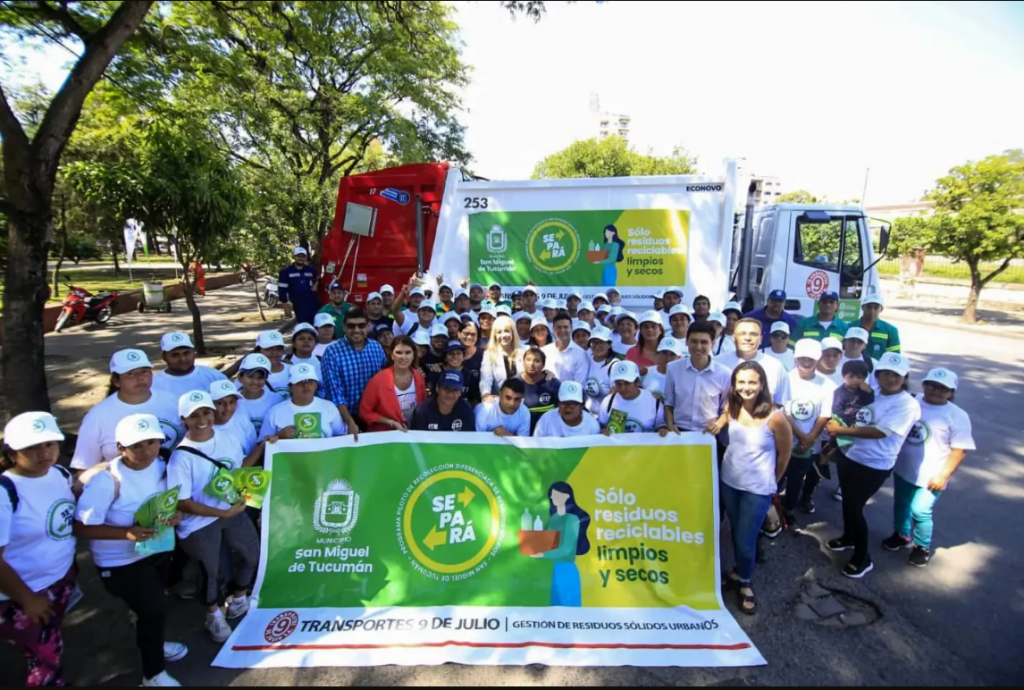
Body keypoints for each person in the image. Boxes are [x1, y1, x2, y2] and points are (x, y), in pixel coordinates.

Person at [73, 414, 187, 688]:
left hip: (155, 551)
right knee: (153, 610)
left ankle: (155, 644)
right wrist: (125, 533)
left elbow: (172, 503)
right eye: (137, 446)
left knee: (154, 606)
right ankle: (153, 675)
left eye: (152, 442)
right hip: (120, 562)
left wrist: (177, 515)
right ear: (121, 448)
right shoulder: (107, 481)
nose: (146, 450)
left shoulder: (162, 465)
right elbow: (82, 527)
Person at [168, 391, 261, 643]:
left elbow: (238, 470)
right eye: (194, 415)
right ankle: (213, 615)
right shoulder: (180, 457)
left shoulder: (228, 439)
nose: (202, 419)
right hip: (200, 522)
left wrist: (263, 447)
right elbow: (183, 502)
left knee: (252, 555)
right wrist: (221, 512)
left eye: (206, 412)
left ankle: (239, 598)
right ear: (183, 420)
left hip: (232, 511)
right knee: (210, 573)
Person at [825, 353, 921, 579]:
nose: (890, 378)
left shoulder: (907, 404)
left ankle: (862, 558)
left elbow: (880, 432)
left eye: (896, 375)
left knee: (855, 508)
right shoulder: (873, 392)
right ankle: (848, 537)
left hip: (874, 464)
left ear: (905, 377)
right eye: (885, 373)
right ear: (877, 375)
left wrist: (841, 431)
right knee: (848, 503)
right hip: (850, 455)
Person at [0, 412, 77, 688]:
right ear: (12, 453)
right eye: (32, 447)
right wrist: (28, 599)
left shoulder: (58, 473)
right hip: (20, 595)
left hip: (59, 581)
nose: (44, 452)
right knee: (48, 656)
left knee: (46, 643)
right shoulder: (4, 492)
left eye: (49, 444)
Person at [719, 362, 793, 615]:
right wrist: (717, 423)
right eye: (741, 382)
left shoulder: (776, 418)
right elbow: (724, 420)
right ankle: (738, 571)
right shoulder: (733, 406)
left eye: (752, 382)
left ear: (762, 384)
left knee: (745, 539)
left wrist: (770, 482)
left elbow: (784, 456)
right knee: (736, 530)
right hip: (729, 481)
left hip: (757, 490)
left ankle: (745, 583)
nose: (746, 387)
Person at [888, 368, 974, 567]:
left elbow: (959, 450)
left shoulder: (957, 415)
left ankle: (921, 547)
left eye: (943, 388)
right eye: (932, 385)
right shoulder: (911, 401)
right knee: (901, 503)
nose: (936, 390)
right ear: (924, 385)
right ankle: (901, 535)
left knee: (920, 510)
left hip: (932, 474)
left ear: (951, 393)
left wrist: (943, 476)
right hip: (904, 468)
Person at [72, 349, 182, 471]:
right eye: (130, 373)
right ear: (116, 381)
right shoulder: (97, 416)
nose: (140, 378)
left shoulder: (172, 401)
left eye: (144, 371)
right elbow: (84, 466)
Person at [777, 339, 837, 518]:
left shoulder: (827, 385)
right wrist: (801, 435)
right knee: (777, 476)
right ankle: (769, 511)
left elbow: (824, 415)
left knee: (796, 479)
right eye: (802, 358)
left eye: (811, 359)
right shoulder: (784, 379)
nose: (806, 362)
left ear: (818, 359)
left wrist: (809, 438)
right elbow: (782, 411)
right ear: (795, 357)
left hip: (809, 443)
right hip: (783, 439)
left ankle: (788, 511)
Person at [321, 307, 387, 434]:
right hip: (344, 419)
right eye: (351, 326)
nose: (356, 330)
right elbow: (335, 394)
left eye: (361, 325)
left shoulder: (376, 347)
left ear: (368, 326)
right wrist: (350, 422)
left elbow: (385, 379)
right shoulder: (332, 352)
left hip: (374, 416)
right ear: (344, 327)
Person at [660, 322, 732, 435]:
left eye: (704, 342)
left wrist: (718, 425)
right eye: (694, 341)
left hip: (709, 433)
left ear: (712, 344)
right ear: (686, 342)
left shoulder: (724, 373)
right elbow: (669, 402)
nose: (698, 347)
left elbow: (726, 408)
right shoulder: (673, 368)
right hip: (679, 431)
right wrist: (670, 424)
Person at [529, 482, 591, 607]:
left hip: (566, 569)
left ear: (567, 496)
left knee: (570, 613)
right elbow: (548, 543)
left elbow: (566, 549)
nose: (552, 498)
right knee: (555, 611)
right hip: (552, 571)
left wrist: (542, 555)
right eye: (552, 496)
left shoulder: (572, 519)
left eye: (556, 495)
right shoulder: (554, 518)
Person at [261, 364, 347, 439]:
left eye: (310, 381)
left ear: (316, 385)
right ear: (290, 387)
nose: (306, 385)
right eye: (300, 382)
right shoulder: (275, 412)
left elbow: (341, 435)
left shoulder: (329, 407)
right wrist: (278, 436)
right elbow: (262, 444)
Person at [359, 336, 427, 432]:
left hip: (413, 433)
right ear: (391, 355)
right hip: (386, 435)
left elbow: (423, 407)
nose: (403, 357)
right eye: (399, 352)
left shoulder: (419, 378)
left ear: (413, 355)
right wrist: (390, 422)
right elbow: (365, 412)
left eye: (408, 352)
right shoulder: (378, 380)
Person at [717, 319, 786, 403]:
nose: (748, 338)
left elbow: (782, 404)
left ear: (761, 339)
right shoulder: (717, 363)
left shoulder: (775, 366)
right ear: (733, 338)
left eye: (753, 334)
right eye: (742, 334)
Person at [151, 332, 227, 400]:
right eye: (175, 355)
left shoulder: (214, 377)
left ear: (194, 353)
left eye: (186, 353)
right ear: (164, 357)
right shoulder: (153, 383)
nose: (183, 359)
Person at [599, 361, 661, 434]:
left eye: (627, 383)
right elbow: (601, 426)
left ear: (637, 382)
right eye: (618, 384)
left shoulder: (653, 402)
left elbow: (661, 426)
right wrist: (603, 430)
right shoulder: (608, 402)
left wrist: (662, 429)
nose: (623, 388)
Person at [234, 353, 285, 438]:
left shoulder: (277, 400)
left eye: (260, 377)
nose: (255, 382)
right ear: (240, 377)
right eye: (250, 376)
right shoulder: (232, 402)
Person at [411, 371, 476, 432]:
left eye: (455, 390)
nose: (450, 394)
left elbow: (468, 439)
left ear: (460, 392)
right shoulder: (423, 411)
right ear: (437, 388)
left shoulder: (466, 410)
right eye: (446, 388)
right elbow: (417, 440)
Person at [480, 316, 525, 403]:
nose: (503, 335)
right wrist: (485, 394)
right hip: (500, 401)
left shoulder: (525, 350)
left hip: (523, 400)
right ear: (495, 335)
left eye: (507, 331)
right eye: (499, 332)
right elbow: (486, 379)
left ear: (513, 332)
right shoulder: (489, 354)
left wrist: (547, 372)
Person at [516, 348, 562, 434]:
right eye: (528, 360)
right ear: (523, 362)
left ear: (543, 365)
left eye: (537, 361)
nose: (532, 364)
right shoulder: (514, 383)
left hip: (548, 433)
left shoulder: (553, 382)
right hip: (522, 434)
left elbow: (562, 408)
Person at [533, 381, 601, 437]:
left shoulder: (592, 425)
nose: (567, 407)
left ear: (581, 406)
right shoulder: (546, 420)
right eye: (563, 403)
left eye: (572, 404)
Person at [211, 380, 258, 455]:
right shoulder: (203, 432)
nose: (228, 408)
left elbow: (253, 453)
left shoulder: (243, 422)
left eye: (232, 402)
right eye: (220, 403)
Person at [543, 312, 589, 386]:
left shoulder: (581, 354)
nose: (562, 330)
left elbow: (579, 384)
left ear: (571, 328)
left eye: (565, 327)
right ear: (553, 329)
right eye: (559, 327)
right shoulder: (544, 351)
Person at [278, 247, 319, 326]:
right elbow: (282, 290)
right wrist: (285, 306)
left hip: (313, 303)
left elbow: (317, 280)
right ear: (294, 257)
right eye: (298, 256)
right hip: (298, 304)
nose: (301, 258)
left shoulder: (311, 270)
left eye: (303, 256)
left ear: (306, 257)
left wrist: (316, 285)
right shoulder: (286, 272)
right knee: (303, 325)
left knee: (315, 324)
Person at [583, 326, 618, 412]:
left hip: (605, 415)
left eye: (601, 342)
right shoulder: (585, 359)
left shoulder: (615, 366)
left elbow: (615, 399)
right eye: (594, 342)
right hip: (586, 414)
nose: (597, 346)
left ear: (609, 344)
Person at [858, 294, 901, 361]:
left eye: (876, 308)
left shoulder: (891, 331)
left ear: (881, 309)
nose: (872, 311)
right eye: (869, 307)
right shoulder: (850, 327)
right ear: (862, 307)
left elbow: (894, 357)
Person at [642, 337, 682, 403]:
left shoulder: (682, 378)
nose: (668, 358)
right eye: (664, 353)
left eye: (672, 354)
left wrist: (663, 401)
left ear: (678, 358)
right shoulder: (645, 372)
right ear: (658, 354)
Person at [459, 321, 485, 400]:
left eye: (473, 334)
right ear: (459, 333)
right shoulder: (451, 354)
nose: (469, 337)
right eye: (466, 333)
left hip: (476, 401)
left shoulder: (484, 355)